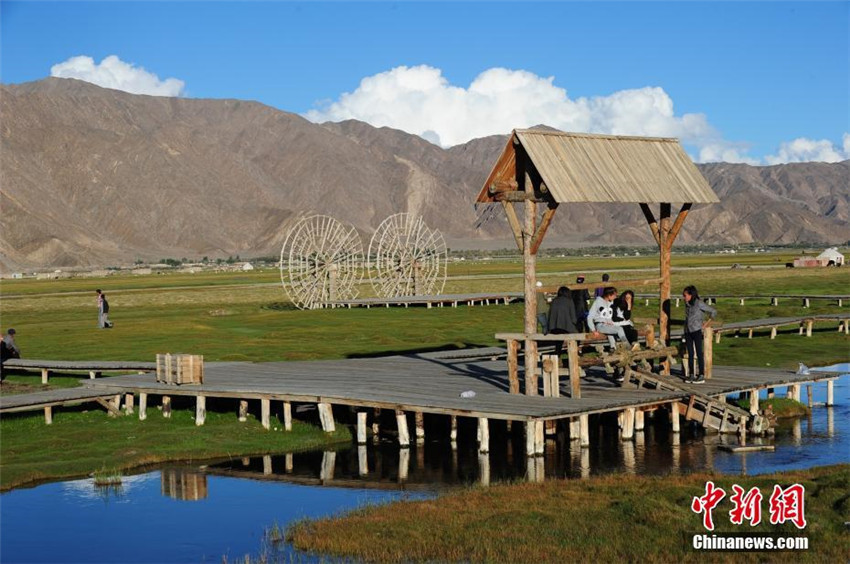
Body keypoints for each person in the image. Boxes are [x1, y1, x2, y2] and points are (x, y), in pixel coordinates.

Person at [682, 285, 716, 384]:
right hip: (687, 331)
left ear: (691, 294)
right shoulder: (687, 304)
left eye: (685, 295)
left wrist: (707, 323)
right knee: (690, 353)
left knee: (699, 353)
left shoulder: (699, 303)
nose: (684, 297)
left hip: (696, 330)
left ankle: (701, 375)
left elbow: (713, 311)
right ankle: (692, 375)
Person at [548, 286, 578, 358]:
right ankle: (573, 354)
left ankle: (557, 355)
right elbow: (573, 318)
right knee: (577, 336)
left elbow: (550, 315)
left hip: (554, 328)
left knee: (558, 343)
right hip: (566, 328)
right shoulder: (569, 301)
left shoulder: (554, 301)